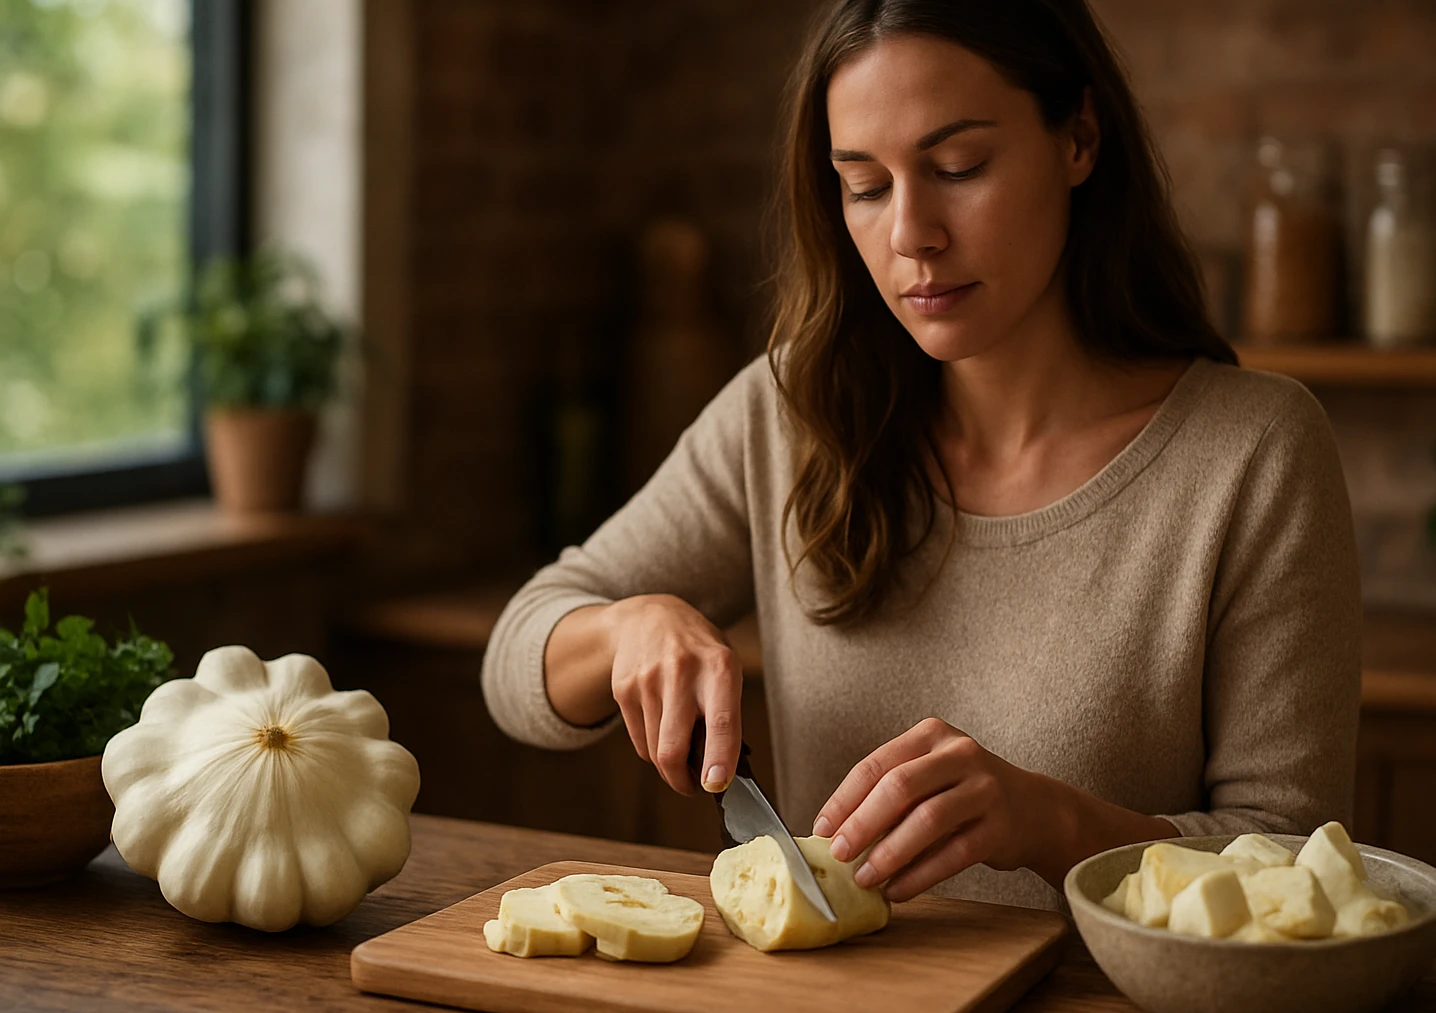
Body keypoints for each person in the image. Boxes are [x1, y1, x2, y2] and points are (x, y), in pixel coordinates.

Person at [481, 0, 1360, 914]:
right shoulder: (793, 413)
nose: (911, 234)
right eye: (864, 186)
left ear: (1080, 139)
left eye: (958, 166)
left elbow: (1296, 868)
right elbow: (518, 653)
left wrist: (1054, 827)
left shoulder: (1255, 453)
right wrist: (629, 629)